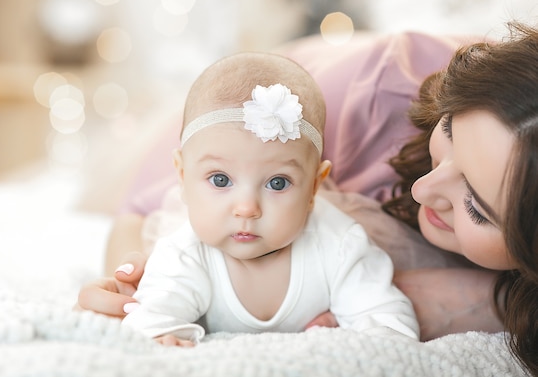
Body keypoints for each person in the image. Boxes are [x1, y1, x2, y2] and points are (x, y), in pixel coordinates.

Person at [77, 23, 538, 375]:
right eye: (450, 133)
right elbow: (144, 207)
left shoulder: (338, 242)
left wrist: (498, 302)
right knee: (99, 179)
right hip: (257, 92)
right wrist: (139, 293)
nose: (423, 190)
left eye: (477, 206)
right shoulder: (357, 97)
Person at [121, 51, 419, 346]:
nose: (247, 209)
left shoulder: (340, 244)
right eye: (220, 180)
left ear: (314, 187)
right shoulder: (184, 253)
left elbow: (387, 323)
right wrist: (161, 339)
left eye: (278, 183)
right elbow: (150, 319)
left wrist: (371, 345)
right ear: (182, 176)